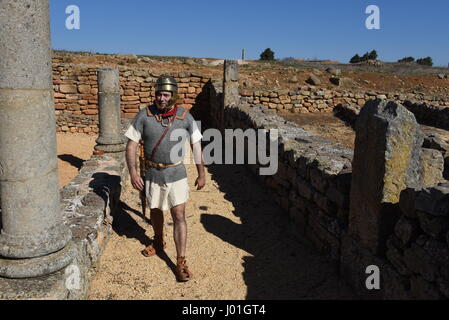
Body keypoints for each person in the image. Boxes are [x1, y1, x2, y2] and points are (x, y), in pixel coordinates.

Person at [124, 75, 205, 282]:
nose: (161, 98)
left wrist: (201, 173)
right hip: (153, 173)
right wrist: (133, 172)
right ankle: (158, 241)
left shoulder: (185, 117)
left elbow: (196, 145)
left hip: (176, 174)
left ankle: (180, 260)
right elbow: (131, 144)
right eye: (159, 94)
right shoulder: (144, 115)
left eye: (166, 94)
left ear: (173, 96)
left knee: (179, 215)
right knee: (156, 210)